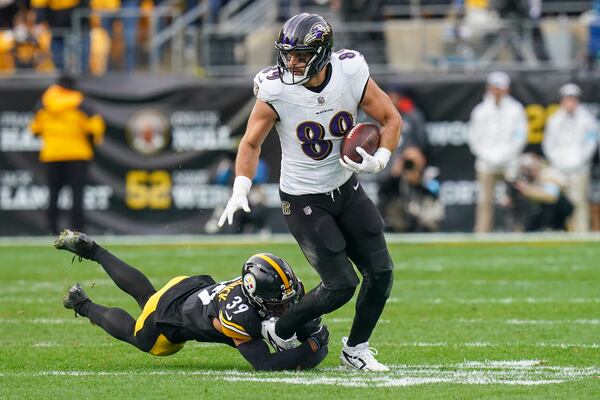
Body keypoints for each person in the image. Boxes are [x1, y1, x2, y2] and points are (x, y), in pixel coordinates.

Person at [218, 13, 402, 371]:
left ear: (322, 52)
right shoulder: (275, 88)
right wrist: (241, 186)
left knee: (381, 272)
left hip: (346, 188)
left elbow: (390, 118)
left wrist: (381, 158)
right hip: (304, 198)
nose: (292, 62)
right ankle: (281, 329)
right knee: (341, 285)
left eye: (301, 55)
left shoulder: (351, 71)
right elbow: (251, 142)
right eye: (287, 54)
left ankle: (357, 350)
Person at [55, 229, 330, 371]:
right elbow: (265, 364)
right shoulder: (240, 317)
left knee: (147, 296)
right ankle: (81, 303)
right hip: (171, 317)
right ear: (256, 296)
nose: (284, 307)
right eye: (277, 304)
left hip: (189, 288)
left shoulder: (260, 292)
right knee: (142, 337)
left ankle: (94, 250)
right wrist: (313, 345)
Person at [29, 74, 105, 234]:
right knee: (76, 194)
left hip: (52, 154)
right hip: (77, 153)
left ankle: (51, 228)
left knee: (53, 193)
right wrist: (92, 140)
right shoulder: (81, 103)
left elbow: (34, 129)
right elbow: (96, 127)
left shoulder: (43, 103)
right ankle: (78, 229)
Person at [468, 71, 528, 233]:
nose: (497, 91)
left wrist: (506, 155)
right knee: (484, 201)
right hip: (486, 163)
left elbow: (520, 136)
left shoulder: (516, 110)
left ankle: (517, 232)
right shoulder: (480, 111)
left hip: (510, 162)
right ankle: (482, 234)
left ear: (507, 89)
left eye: (500, 88)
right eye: (494, 88)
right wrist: (488, 155)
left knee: (514, 199)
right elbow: (474, 138)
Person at [542, 83, 599, 232]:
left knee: (579, 201)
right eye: (567, 99)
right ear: (562, 100)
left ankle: (581, 232)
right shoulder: (554, 120)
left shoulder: (587, 119)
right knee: (556, 201)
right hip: (559, 169)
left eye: (573, 99)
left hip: (579, 168)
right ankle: (560, 231)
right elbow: (549, 144)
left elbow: (591, 142)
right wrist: (559, 162)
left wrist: (580, 160)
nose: (570, 102)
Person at [511, 152, 573, 231]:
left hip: (560, 207)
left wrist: (529, 191)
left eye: (529, 169)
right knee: (529, 229)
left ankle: (549, 227)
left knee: (549, 205)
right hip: (542, 208)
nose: (528, 172)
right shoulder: (529, 178)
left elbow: (551, 196)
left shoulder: (547, 174)